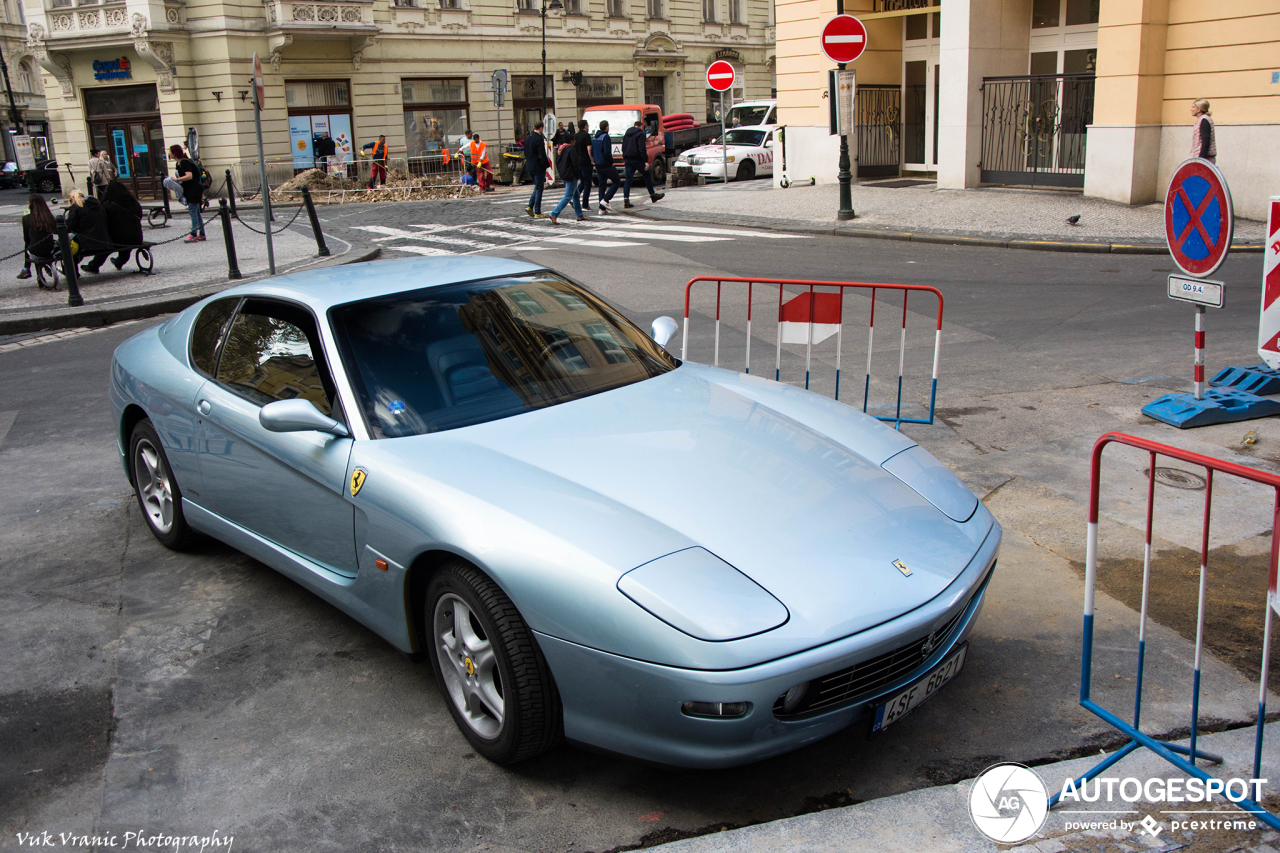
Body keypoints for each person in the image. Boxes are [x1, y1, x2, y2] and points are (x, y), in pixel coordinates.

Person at [66, 189, 113, 274]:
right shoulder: (99, 205)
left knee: (68, 248)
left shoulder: (76, 207)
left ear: (72, 199)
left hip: (86, 243)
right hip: (104, 240)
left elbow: (70, 226)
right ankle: (93, 265)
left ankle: (72, 273)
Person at [101, 179, 144, 271]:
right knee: (126, 246)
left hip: (116, 239)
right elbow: (140, 216)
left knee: (105, 246)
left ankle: (94, 265)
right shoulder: (134, 203)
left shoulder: (107, 206)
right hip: (136, 237)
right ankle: (119, 262)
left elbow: (103, 222)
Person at [621, 119, 664, 208]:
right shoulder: (640, 134)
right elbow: (642, 149)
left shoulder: (626, 134)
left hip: (628, 159)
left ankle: (626, 200)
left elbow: (623, 147)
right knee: (647, 176)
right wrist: (646, 161)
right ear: (641, 126)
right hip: (638, 159)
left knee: (628, 180)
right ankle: (653, 195)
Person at [169, 144, 206, 242]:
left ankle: (193, 235)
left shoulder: (184, 162)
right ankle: (201, 234)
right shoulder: (178, 163)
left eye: (170, 151)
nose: (169, 153)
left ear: (174, 153)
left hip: (193, 190)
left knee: (193, 212)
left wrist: (177, 180)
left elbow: (189, 176)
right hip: (190, 190)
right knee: (196, 212)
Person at [17, 193, 56, 282]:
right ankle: (42, 267)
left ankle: (28, 269)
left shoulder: (27, 218)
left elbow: (26, 238)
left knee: (30, 245)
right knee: (38, 244)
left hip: (35, 249)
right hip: (50, 248)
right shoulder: (49, 216)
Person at [548, 136, 583, 224]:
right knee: (568, 196)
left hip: (564, 175)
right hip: (570, 176)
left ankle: (579, 214)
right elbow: (575, 163)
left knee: (576, 195)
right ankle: (554, 213)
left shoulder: (560, 149)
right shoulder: (571, 149)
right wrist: (577, 174)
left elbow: (557, 163)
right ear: (571, 141)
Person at [592, 120, 621, 214]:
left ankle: (601, 208)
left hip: (598, 165)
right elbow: (607, 152)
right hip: (606, 164)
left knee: (602, 185)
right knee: (617, 181)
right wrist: (611, 161)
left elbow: (592, 152)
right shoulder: (606, 137)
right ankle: (605, 200)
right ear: (607, 127)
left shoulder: (595, 138)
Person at [523, 121, 549, 218]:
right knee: (539, 188)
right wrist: (546, 165)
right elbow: (541, 154)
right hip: (537, 166)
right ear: (541, 128)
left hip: (529, 166)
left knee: (537, 187)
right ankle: (537, 211)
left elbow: (525, 152)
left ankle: (530, 207)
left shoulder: (527, 138)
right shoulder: (539, 139)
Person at [574, 119, 594, 213]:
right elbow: (589, 148)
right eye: (587, 125)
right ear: (585, 126)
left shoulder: (576, 136)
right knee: (587, 183)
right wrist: (591, 160)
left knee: (582, 182)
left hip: (578, 162)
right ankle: (585, 204)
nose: (588, 126)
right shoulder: (586, 136)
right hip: (585, 161)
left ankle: (573, 197)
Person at [1191, 99, 1216, 163]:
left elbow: (1205, 141)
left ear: (1199, 109)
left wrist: (1201, 159)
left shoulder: (1204, 120)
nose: (1191, 109)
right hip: (1201, 158)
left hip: (1205, 159)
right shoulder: (1201, 120)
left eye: (1193, 107)